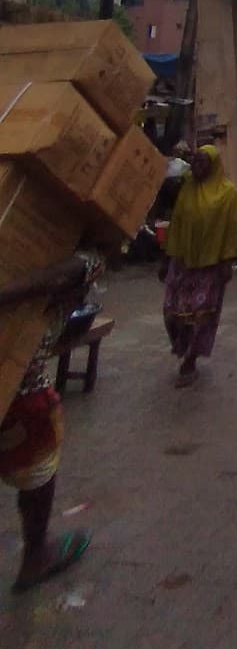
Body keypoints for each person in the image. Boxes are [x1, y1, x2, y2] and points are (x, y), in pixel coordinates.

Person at [2, 254, 99, 594]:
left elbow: (82, 267)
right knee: (36, 462)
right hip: (20, 389)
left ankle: (38, 552)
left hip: (19, 379)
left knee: (36, 460)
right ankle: (36, 553)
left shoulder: (77, 252)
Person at [162, 145, 237, 388]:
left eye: (202, 162)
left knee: (199, 317)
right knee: (172, 313)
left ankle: (190, 361)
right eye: (195, 161)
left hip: (210, 266)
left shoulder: (228, 194)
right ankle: (181, 347)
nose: (196, 167)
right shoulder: (187, 189)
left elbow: (234, 228)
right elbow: (176, 223)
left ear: (213, 165)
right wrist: (166, 258)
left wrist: (227, 262)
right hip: (183, 261)